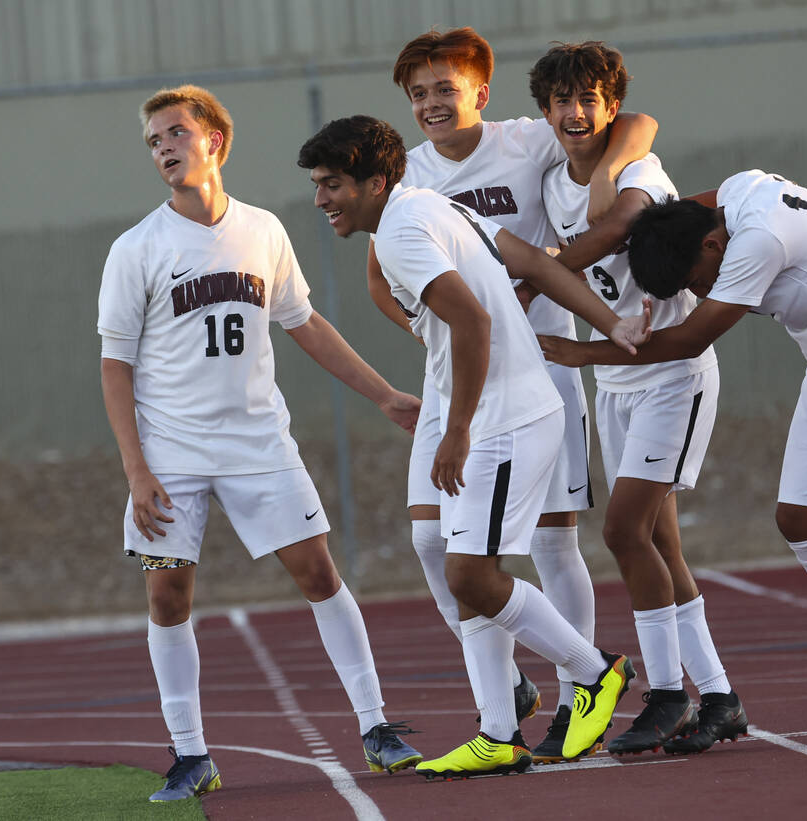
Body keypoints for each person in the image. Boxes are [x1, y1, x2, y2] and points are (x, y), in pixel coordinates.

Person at [540, 170, 807, 745]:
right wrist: (626, 239)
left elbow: (689, 339)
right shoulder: (734, 198)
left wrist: (578, 351)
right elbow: (674, 213)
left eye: (696, 278)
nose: (699, 288)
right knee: (800, 520)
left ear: (713, 248)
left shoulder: (754, 244)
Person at [97, 85, 424, 802]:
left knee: (318, 574)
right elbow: (114, 367)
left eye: (175, 132)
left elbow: (305, 326)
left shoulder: (263, 230)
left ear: (215, 139)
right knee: (167, 596)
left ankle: (376, 727)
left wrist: (384, 394)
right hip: (172, 454)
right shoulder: (136, 249)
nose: (163, 148)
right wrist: (136, 467)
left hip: (258, 444)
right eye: (153, 141)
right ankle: (191, 754)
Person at [298, 114, 649, 777]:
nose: (321, 200)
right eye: (318, 186)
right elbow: (530, 264)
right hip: (497, 410)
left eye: (332, 184)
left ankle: (595, 672)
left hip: (505, 418)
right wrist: (611, 324)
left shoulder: (405, 227)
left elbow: (475, 318)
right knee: (460, 568)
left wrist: (456, 429)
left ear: (375, 182)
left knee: (472, 574)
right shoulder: (428, 205)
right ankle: (496, 731)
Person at [367, 26, 659, 745]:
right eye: (418, 94)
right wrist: (431, 332)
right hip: (457, 380)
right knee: (433, 541)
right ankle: (511, 682)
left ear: (480, 93)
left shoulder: (526, 140)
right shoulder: (405, 175)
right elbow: (379, 280)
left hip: (541, 371)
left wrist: (603, 173)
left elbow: (639, 122)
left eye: (445, 89)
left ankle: (573, 698)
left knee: (553, 546)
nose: (432, 103)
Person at [530, 42, 747, 758]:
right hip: (619, 380)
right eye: (561, 100)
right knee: (658, 542)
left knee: (623, 532)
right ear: (545, 110)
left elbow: (621, 224)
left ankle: (665, 694)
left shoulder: (637, 169)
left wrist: (538, 275)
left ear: (610, 106)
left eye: (588, 98)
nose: (574, 111)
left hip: (670, 375)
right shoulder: (551, 175)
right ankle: (717, 694)